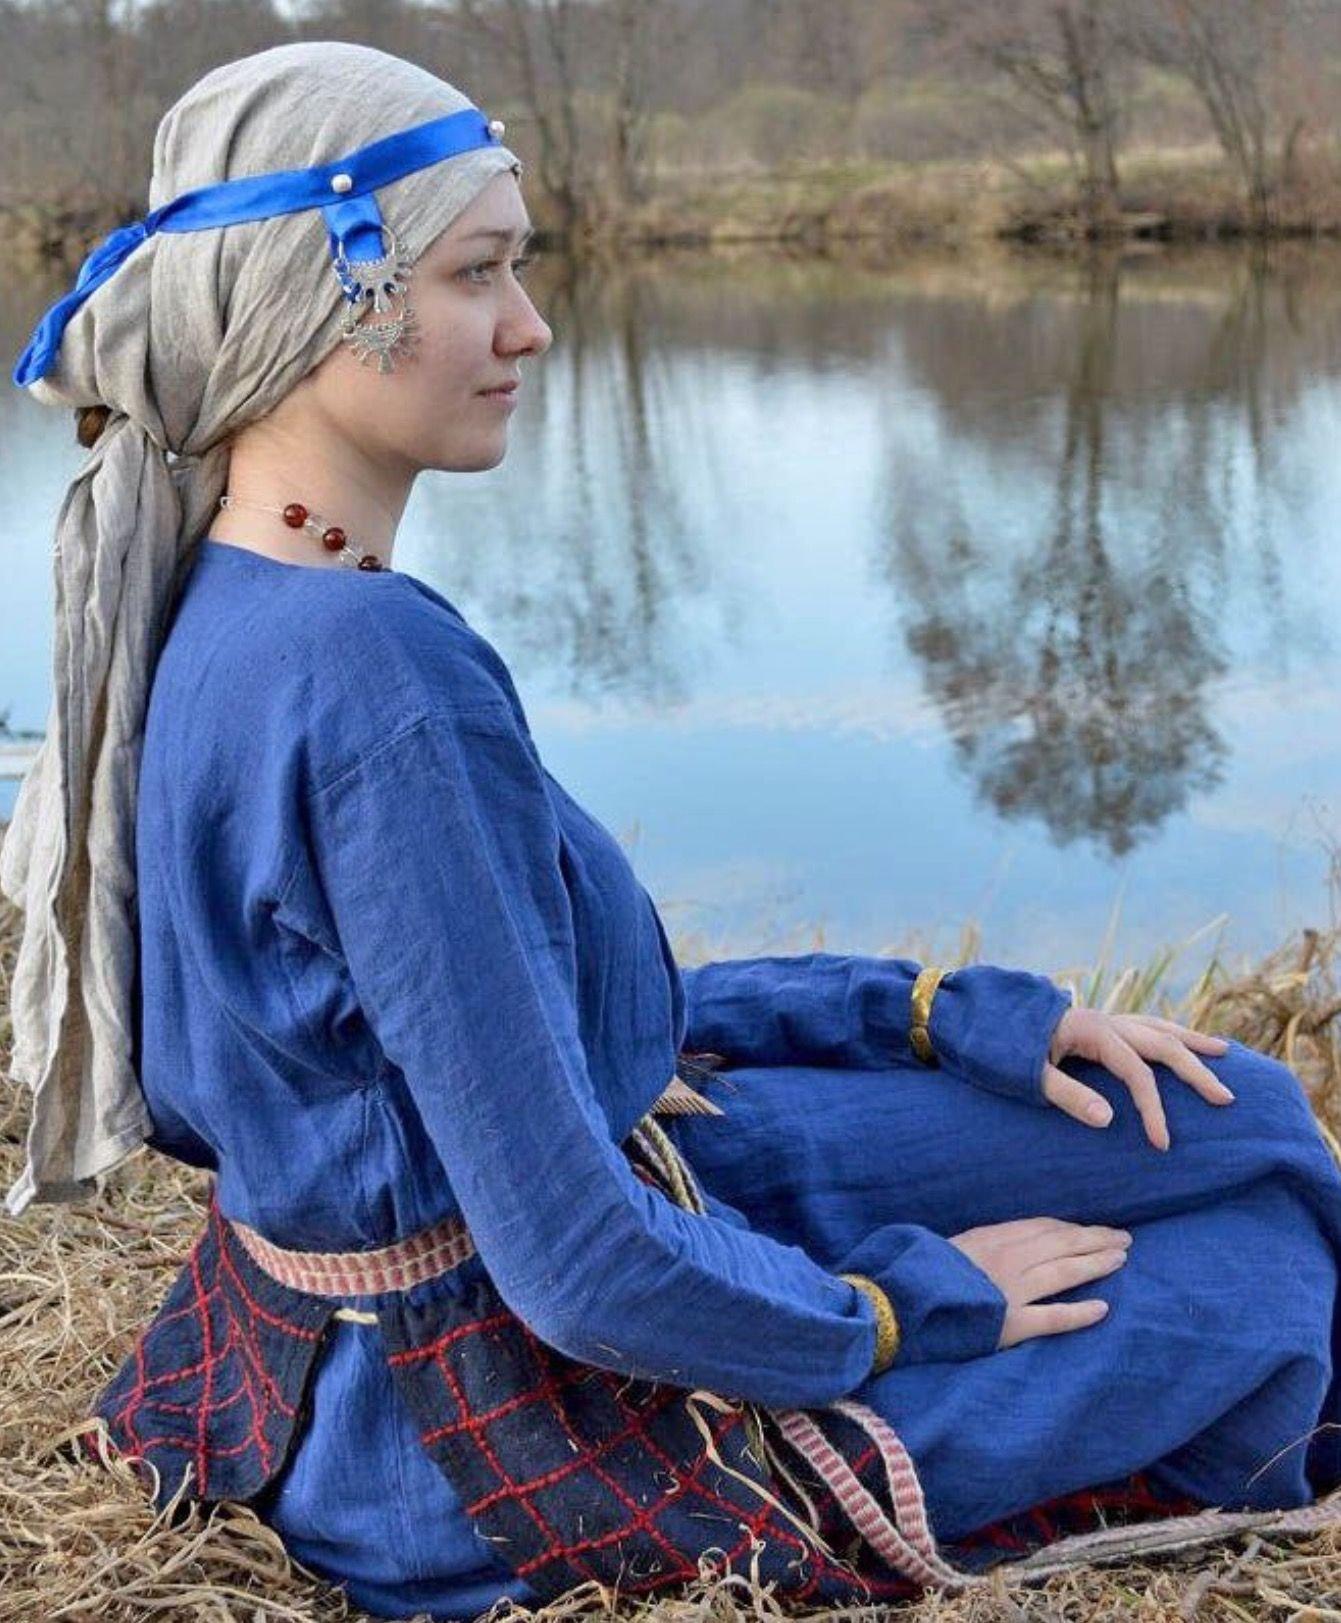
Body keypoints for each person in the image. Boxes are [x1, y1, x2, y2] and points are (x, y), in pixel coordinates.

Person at [3, 37, 1340, 1623]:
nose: (529, 325)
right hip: (477, 1414)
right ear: (314, 301)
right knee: (1264, 1283)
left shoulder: (241, 599)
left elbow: (514, 1018)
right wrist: (902, 1308)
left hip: (557, 1218)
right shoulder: (368, 679)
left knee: (1239, 1112)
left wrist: (929, 1012)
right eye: (477, 273)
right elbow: (577, 1267)